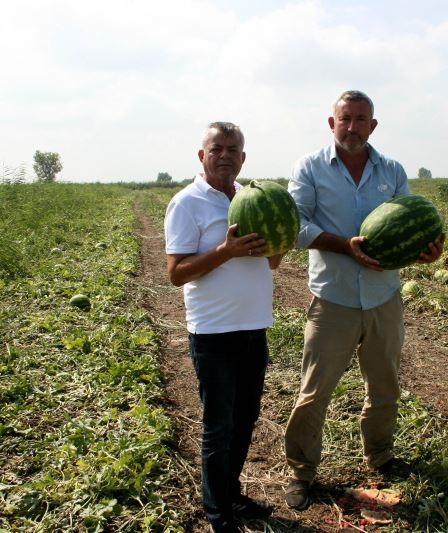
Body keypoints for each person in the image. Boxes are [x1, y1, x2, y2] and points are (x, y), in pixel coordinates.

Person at [283, 90, 445, 510]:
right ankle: (301, 473)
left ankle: (380, 457)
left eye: (361, 120)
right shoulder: (310, 167)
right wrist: (344, 246)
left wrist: (426, 251)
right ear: (331, 122)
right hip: (332, 299)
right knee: (314, 392)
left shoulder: (391, 170)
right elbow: (295, 224)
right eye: (345, 119)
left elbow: (412, 218)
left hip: (383, 296)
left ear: (373, 126)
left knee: (385, 385)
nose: (352, 127)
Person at [165, 121, 281, 533]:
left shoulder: (252, 201)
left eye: (234, 149)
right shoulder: (187, 203)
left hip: (255, 326)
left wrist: (276, 246)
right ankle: (218, 515)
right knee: (218, 425)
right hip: (213, 332)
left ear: (243, 158)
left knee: (245, 418)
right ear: (202, 155)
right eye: (218, 148)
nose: (226, 155)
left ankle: (231, 493)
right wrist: (226, 251)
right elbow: (177, 273)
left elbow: (271, 263)